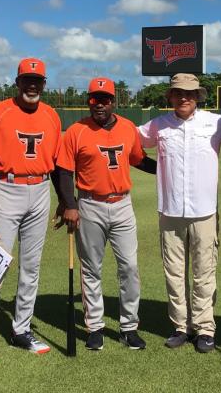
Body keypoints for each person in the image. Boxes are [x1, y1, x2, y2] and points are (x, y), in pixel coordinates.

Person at [136, 73, 221, 352]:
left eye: (190, 93)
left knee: (204, 272)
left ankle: (205, 328)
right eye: (178, 93)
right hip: (169, 211)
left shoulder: (216, 122)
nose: (184, 97)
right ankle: (181, 326)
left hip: (204, 211)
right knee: (174, 272)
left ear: (197, 97)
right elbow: (129, 140)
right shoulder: (158, 125)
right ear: (169, 96)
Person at [54, 77, 156, 352]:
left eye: (105, 99)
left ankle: (128, 327)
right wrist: (70, 204)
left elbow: (139, 159)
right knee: (91, 269)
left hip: (122, 204)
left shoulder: (127, 128)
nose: (99, 104)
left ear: (114, 101)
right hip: (89, 205)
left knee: (130, 267)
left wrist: (166, 170)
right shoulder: (76, 131)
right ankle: (95, 327)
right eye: (94, 99)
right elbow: (64, 171)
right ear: (89, 101)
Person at [0, 57, 61, 363]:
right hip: (5, 187)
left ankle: (21, 328)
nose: (32, 85)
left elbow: (59, 162)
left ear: (43, 84)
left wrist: (66, 200)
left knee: (31, 267)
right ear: (17, 82)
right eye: (27, 80)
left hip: (40, 189)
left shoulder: (51, 115)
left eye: (38, 81)